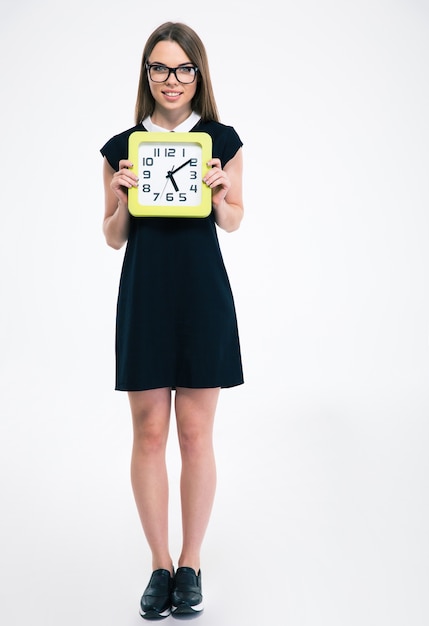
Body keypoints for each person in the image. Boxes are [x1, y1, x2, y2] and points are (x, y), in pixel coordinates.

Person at [100, 21, 244, 620]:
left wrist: (218, 192)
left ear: (198, 74)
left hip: (201, 293)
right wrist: (121, 195)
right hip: (147, 293)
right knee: (150, 432)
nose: (172, 80)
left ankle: (192, 562)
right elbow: (111, 238)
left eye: (183, 68)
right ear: (147, 76)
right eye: (160, 68)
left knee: (195, 434)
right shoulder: (121, 147)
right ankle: (159, 564)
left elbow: (235, 220)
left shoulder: (220, 139)